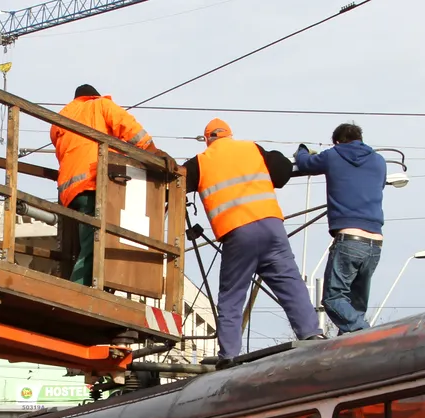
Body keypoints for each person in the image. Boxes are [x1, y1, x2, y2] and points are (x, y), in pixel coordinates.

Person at [183, 119, 323, 361]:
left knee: (232, 295)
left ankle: (229, 355)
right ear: (230, 135)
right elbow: (281, 172)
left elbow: (176, 183)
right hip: (271, 226)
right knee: (290, 282)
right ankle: (311, 333)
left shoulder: (200, 162)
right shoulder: (252, 148)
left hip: (238, 232)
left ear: (208, 140)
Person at [51, 84, 165, 286]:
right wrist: (154, 153)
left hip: (69, 191)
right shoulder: (99, 105)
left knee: (87, 241)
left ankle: (86, 285)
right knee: (95, 245)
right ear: (92, 96)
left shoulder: (62, 119)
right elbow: (129, 128)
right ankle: (77, 290)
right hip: (93, 182)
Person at [294, 123, 388, 335]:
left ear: (337, 141)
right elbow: (379, 185)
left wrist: (302, 150)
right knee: (355, 306)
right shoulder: (379, 161)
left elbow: (305, 163)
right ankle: (353, 348)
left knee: (334, 298)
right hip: (375, 243)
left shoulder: (333, 155)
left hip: (349, 238)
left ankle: (367, 334)